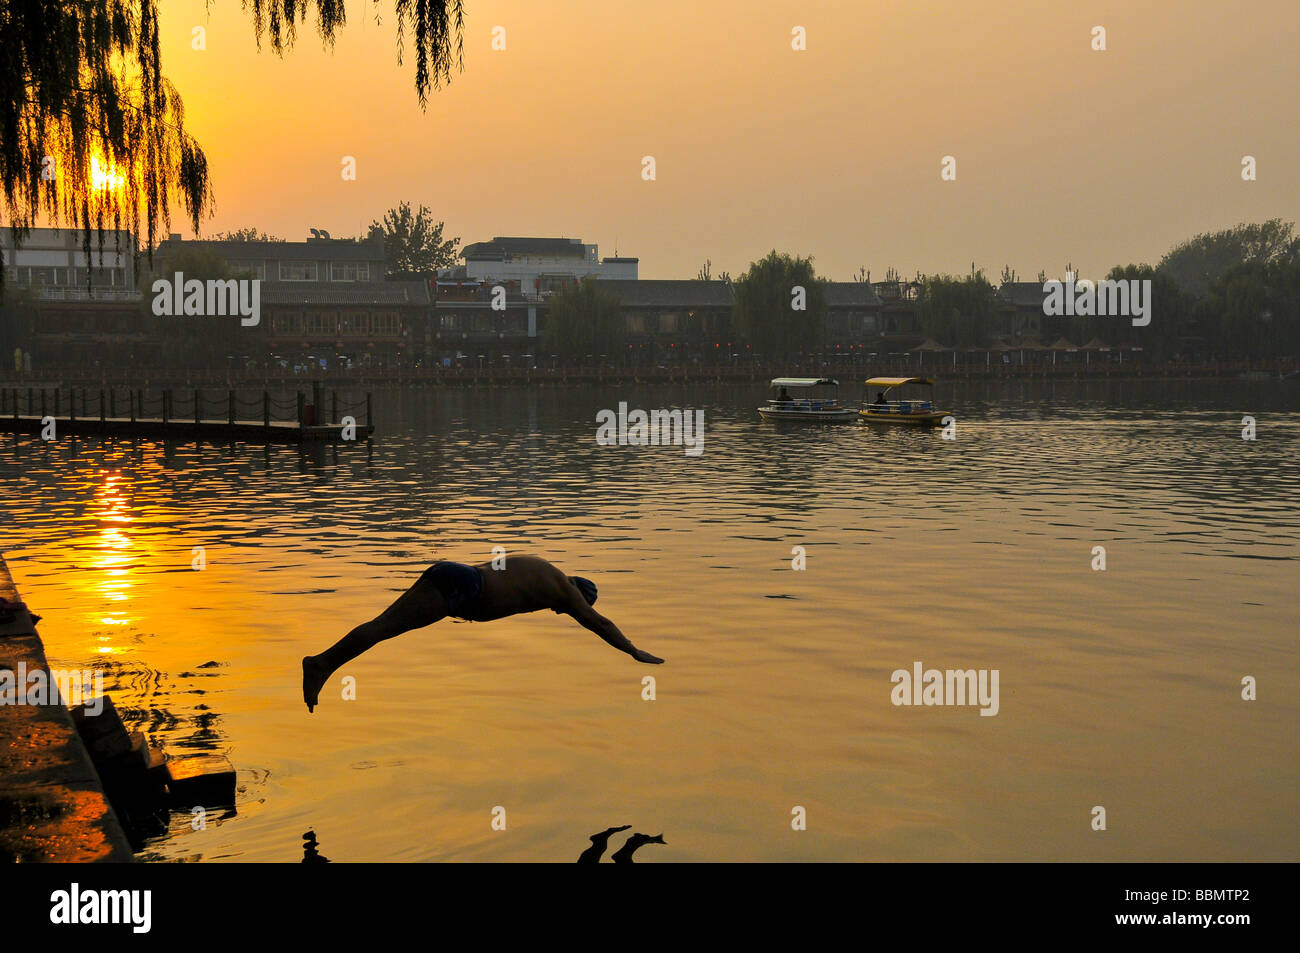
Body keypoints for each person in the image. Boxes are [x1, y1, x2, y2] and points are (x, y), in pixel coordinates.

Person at [302, 556, 665, 712]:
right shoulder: (564, 590)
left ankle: (324, 664)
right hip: (463, 588)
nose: (560, 611)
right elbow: (598, 623)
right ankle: (321, 664)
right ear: (577, 594)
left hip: (458, 578)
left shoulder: (545, 570)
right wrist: (634, 651)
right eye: (569, 608)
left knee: (384, 627)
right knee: (383, 628)